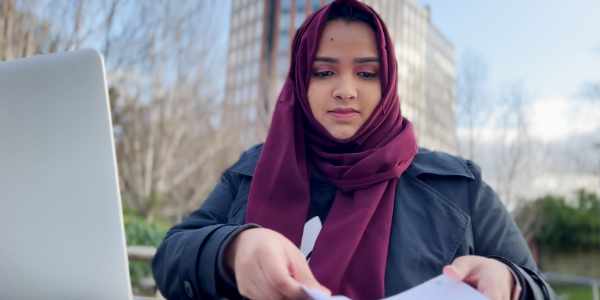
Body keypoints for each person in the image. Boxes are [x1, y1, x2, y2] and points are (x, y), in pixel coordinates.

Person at [152, 1, 555, 299]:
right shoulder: (254, 169)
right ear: (300, 84)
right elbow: (172, 257)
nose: (345, 89)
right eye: (324, 72)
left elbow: (540, 289)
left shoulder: (459, 187)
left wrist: (511, 284)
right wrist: (232, 249)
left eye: (366, 73)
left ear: (388, 83)